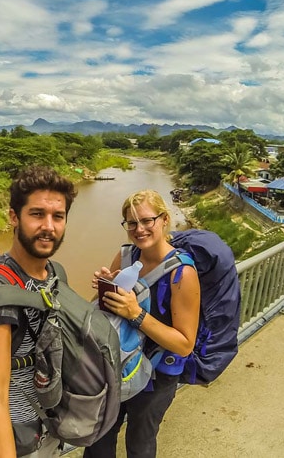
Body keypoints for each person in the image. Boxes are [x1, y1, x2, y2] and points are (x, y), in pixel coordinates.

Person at [0, 165, 77, 458]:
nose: (49, 227)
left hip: (50, 430)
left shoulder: (54, 273)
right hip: (14, 441)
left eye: (58, 216)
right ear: (14, 217)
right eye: (37, 214)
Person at [83, 190, 201, 458]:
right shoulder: (124, 257)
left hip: (156, 377)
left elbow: (184, 345)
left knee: (140, 442)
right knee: (98, 440)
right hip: (115, 367)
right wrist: (104, 288)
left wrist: (137, 313)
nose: (140, 229)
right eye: (132, 223)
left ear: (164, 219)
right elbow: (107, 314)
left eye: (147, 220)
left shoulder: (182, 273)